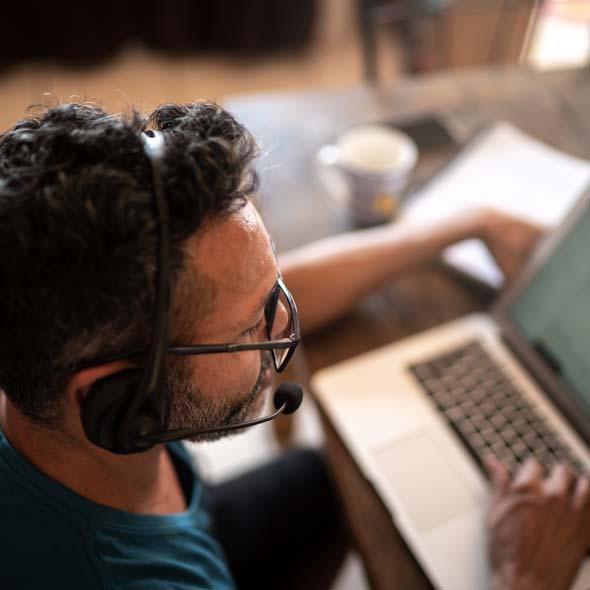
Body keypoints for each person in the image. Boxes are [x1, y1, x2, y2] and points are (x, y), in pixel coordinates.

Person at [0, 102, 587, 590]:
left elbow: (231, 300)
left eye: (271, 292)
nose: (284, 322)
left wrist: (465, 224)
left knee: (319, 479)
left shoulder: (45, 359)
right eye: (253, 326)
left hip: (188, 516)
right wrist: (526, 579)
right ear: (117, 399)